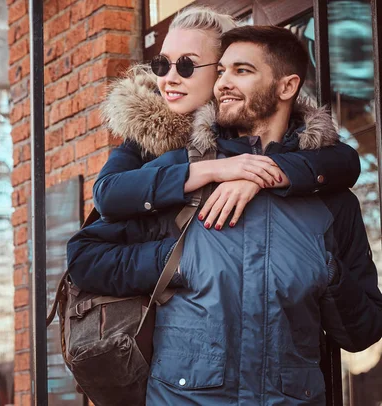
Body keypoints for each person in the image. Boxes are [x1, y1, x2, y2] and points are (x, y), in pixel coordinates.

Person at [67, 25, 382, 405]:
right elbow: (85, 259)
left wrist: (328, 271)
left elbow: (363, 331)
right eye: (220, 73)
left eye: (241, 71)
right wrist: (177, 261)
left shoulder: (331, 200)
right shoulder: (177, 172)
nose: (222, 84)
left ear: (286, 87)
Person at [95, 7, 359, 229]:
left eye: (187, 65)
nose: (169, 79)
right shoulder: (148, 132)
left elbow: (343, 161)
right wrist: (211, 170)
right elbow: (106, 194)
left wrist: (258, 175)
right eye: (161, 65)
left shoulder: (248, 124)